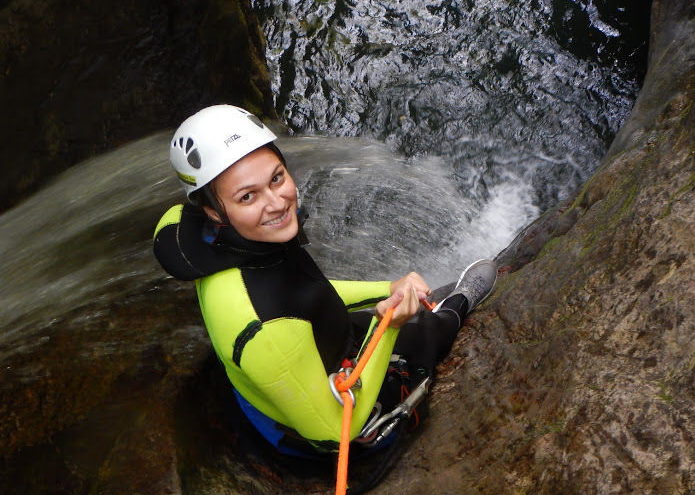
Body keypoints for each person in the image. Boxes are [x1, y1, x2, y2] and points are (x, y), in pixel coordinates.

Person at [153, 104, 497, 456]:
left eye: (276, 178)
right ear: (213, 210)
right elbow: (335, 434)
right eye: (247, 196)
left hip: (301, 360)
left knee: (383, 317)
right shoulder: (266, 329)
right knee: (424, 331)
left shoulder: (228, 243)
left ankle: (421, 310)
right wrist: (389, 328)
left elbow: (306, 294)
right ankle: (455, 308)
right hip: (322, 430)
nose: (277, 203)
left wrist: (386, 289)